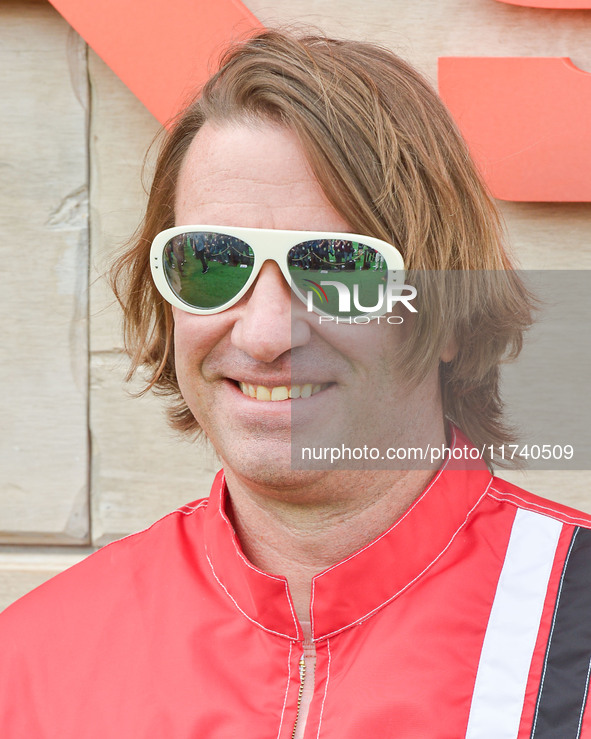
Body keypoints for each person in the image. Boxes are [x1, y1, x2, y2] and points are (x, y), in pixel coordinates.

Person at [1, 30, 590, 738]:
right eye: (212, 261)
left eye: (339, 266)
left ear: (449, 318)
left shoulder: (572, 621)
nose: (264, 333)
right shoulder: (35, 660)